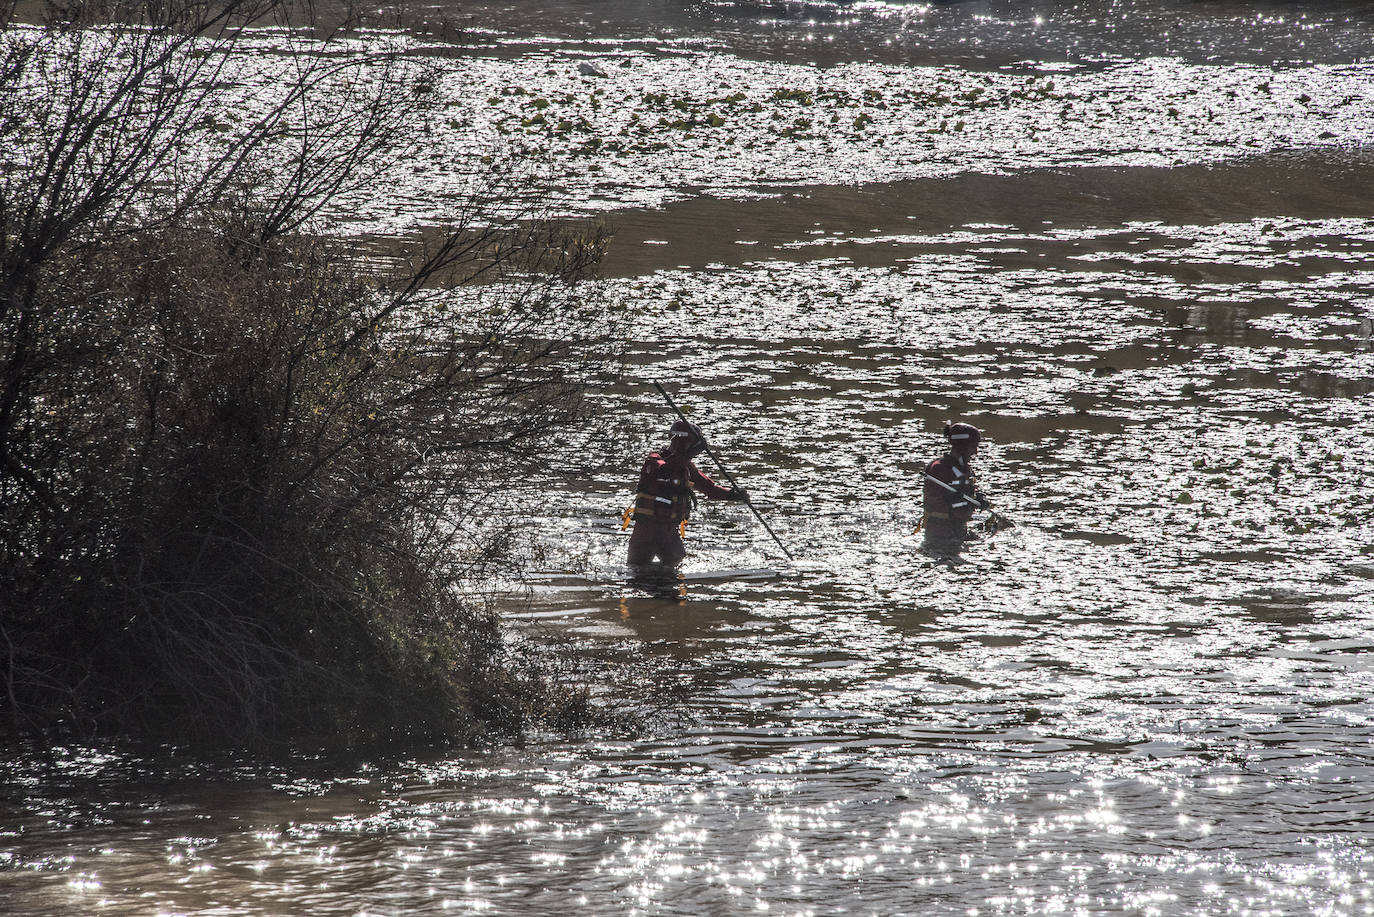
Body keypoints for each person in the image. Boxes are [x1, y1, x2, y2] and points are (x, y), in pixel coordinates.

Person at [626, 420, 747, 566]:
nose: (692, 450)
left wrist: (733, 495)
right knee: (638, 573)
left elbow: (709, 489)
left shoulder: (687, 468)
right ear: (681, 442)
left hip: (669, 533)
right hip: (646, 532)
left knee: (676, 568)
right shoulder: (654, 460)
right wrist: (687, 456)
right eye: (691, 445)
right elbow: (661, 471)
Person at [921, 421, 992, 545]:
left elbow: (967, 494)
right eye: (972, 447)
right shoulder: (939, 469)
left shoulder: (965, 470)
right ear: (962, 447)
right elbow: (933, 501)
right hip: (940, 534)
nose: (975, 452)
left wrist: (978, 499)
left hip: (958, 530)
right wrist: (951, 498)